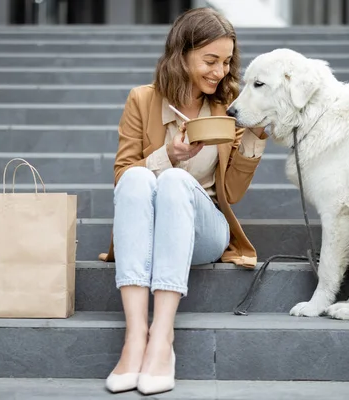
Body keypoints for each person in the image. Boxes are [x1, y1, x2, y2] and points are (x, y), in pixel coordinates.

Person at [97, 7, 268, 395]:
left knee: (175, 182)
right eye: (210, 60)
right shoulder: (142, 101)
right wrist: (167, 156)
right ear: (182, 54)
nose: (220, 71)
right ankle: (136, 334)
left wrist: (256, 138)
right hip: (152, 226)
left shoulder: (229, 108)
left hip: (204, 230)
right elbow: (123, 178)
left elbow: (234, 194)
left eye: (226, 61)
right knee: (142, 175)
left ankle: (163, 335)